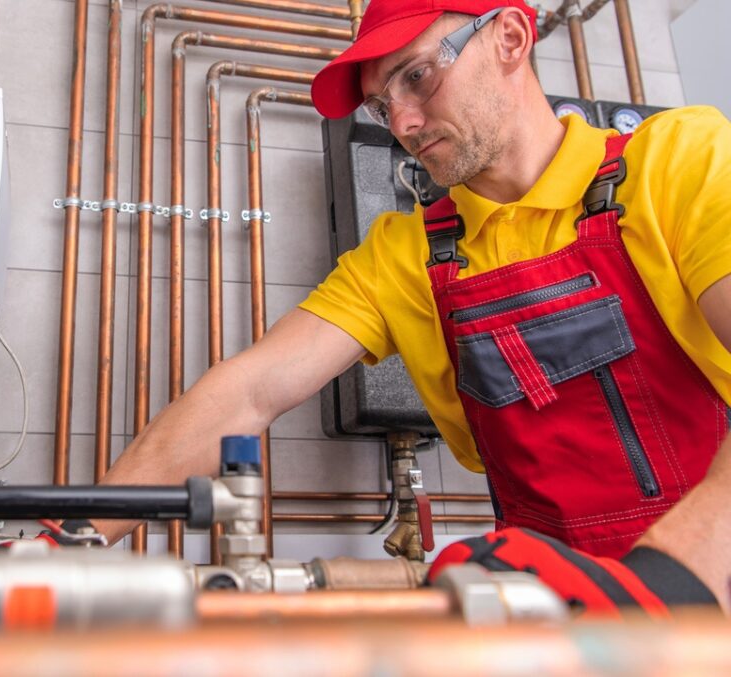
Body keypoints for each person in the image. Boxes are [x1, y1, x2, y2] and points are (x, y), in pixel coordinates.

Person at [93, 0, 731, 611]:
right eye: (381, 105)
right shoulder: (406, 254)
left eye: (418, 77)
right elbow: (248, 392)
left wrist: (668, 582)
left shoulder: (679, 160)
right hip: (553, 614)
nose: (399, 124)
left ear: (510, 38)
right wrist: (75, 537)